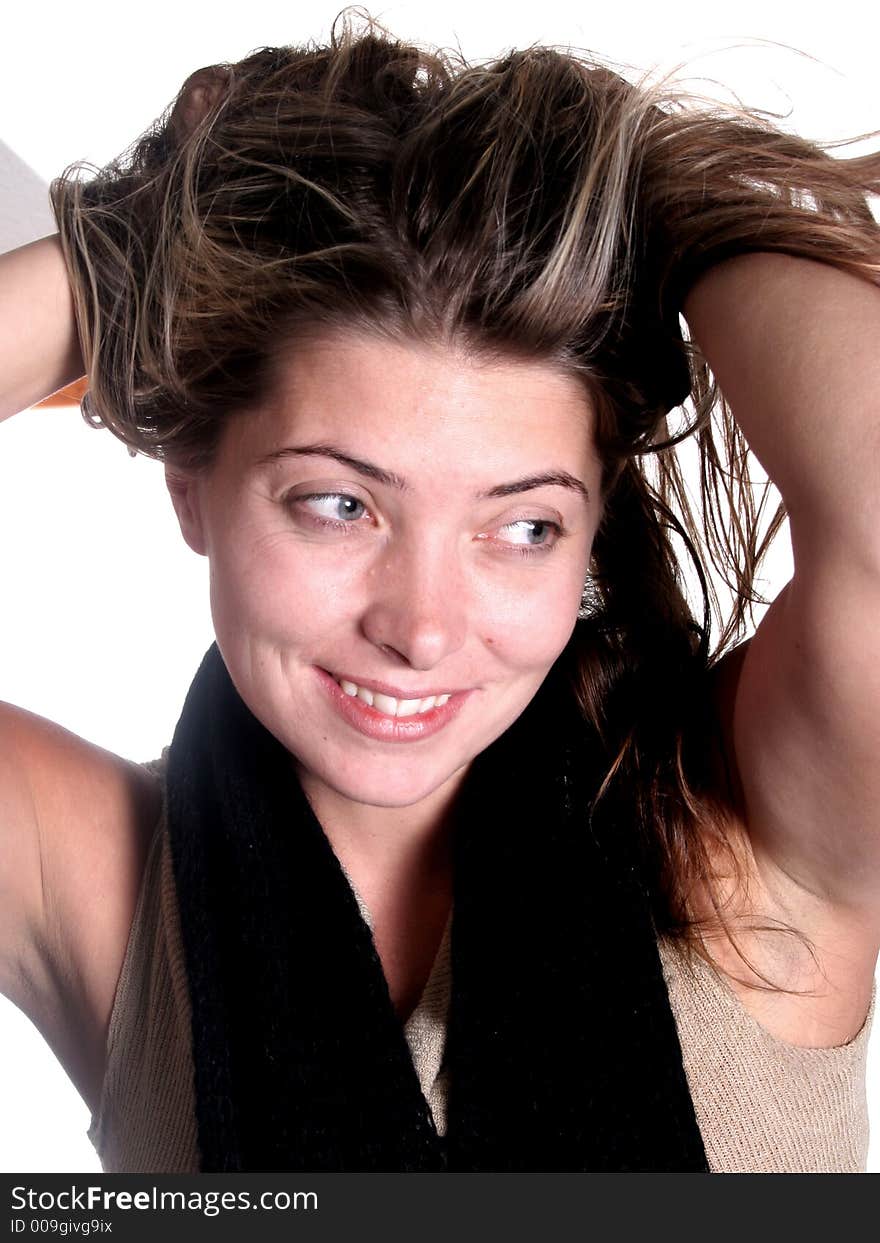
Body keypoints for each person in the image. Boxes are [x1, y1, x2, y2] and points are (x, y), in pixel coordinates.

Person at [0, 14, 878, 1173]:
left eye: (522, 526)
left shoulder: (747, 856)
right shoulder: (89, 874)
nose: (420, 629)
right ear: (193, 488)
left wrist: (671, 215)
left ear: (591, 520)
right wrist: (120, 261)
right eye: (338, 504)